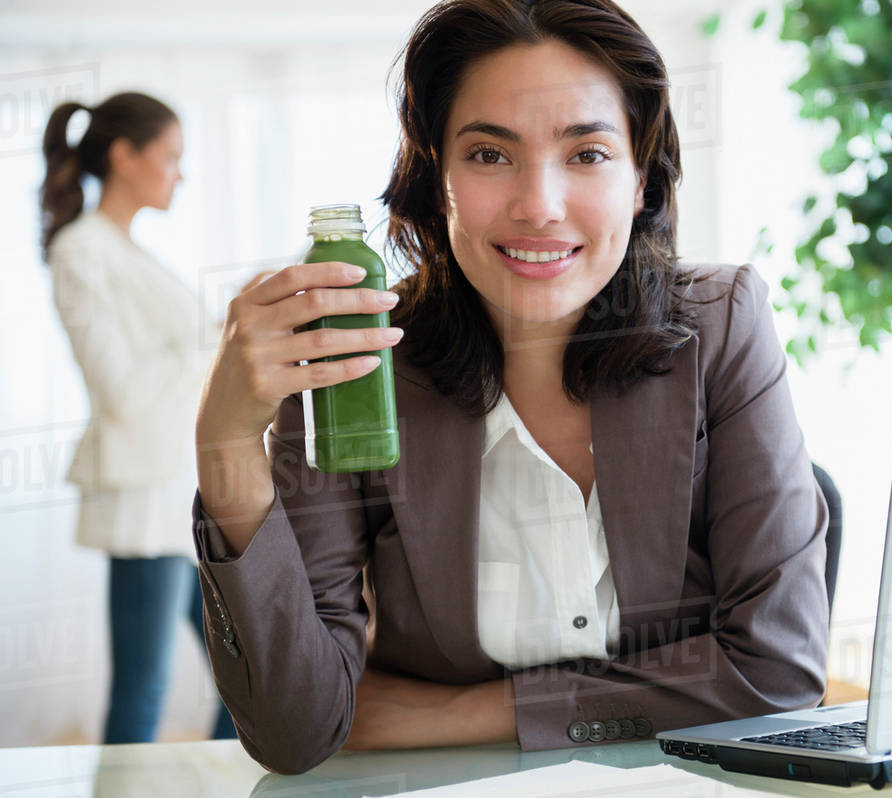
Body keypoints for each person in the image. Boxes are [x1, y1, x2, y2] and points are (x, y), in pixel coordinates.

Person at [193, 0, 829, 775]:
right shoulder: (358, 360)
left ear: (640, 177)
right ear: (436, 181)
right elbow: (299, 731)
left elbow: (778, 677)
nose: (539, 206)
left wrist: (476, 711)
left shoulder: (722, 324)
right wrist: (225, 441)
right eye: (490, 155)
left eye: (587, 153)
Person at [40, 92, 237, 744]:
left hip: (176, 497)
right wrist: (216, 337)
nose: (181, 174)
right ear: (125, 157)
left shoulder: (128, 250)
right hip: (142, 502)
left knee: (246, 683)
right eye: (172, 157)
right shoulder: (81, 249)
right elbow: (119, 389)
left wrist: (218, 332)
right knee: (144, 691)